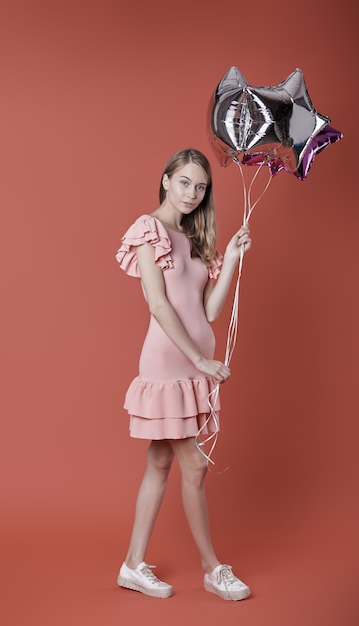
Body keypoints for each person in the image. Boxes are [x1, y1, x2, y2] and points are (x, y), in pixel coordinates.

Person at [115, 148, 251, 601]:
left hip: (194, 367)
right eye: (185, 182)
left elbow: (207, 310)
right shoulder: (148, 230)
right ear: (166, 179)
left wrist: (229, 257)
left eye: (201, 186)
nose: (192, 193)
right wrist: (199, 361)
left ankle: (132, 564)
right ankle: (214, 570)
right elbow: (158, 305)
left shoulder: (193, 236)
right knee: (193, 465)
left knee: (160, 463)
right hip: (169, 363)